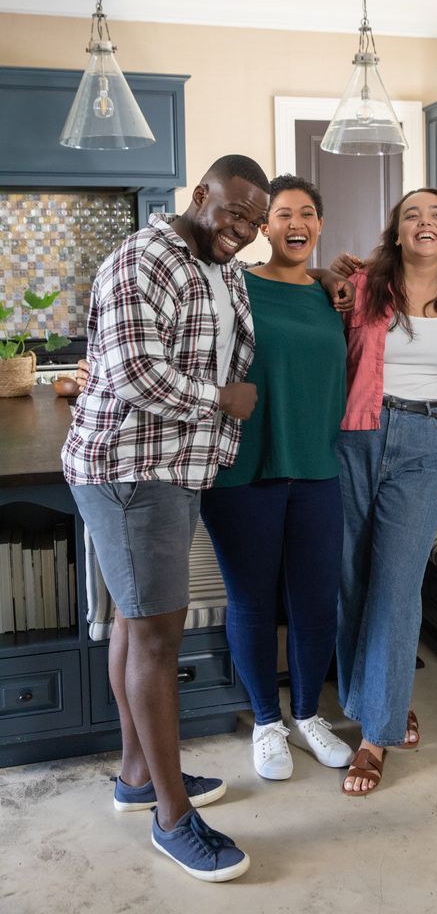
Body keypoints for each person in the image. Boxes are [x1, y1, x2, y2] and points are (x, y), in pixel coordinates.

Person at [62, 154, 271, 882]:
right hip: (130, 469)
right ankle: (174, 818)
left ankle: (138, 775)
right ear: (200, 194)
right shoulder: (141, 258)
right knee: (156, 635)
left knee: (133, 622)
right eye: (233, 210)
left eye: (254, 219)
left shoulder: (226, 270)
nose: (242, 228)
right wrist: (221, 400)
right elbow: (131, 373)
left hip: (175, 470)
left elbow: (232, 343)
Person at [200, 175, 354, 781]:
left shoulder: (334, 295)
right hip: (243, 468)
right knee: (253, 600)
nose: (297, 222)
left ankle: (310, 714)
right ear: (265, 227)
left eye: (308, 213)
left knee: (317, 602)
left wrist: (328, 277)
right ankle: (266, 721)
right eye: (284, 213)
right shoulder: (230, 283)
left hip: (317, 465)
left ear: (319, 226)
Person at [334, 187, 437, 795]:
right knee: (351, 578)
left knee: (397, 586)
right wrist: (330, 272)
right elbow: (316, 300)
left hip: (427, 442)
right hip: (357, 437)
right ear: (397, 231)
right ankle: (376, 699)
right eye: (412, 215)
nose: (425, 222)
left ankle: (376, 734)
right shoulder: (365, 287)